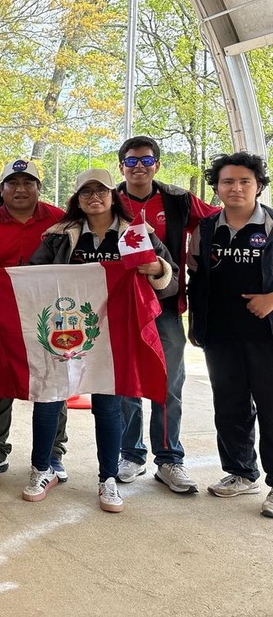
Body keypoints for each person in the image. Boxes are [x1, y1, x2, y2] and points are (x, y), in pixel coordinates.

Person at [23, 168, 176, 513]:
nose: (94, 197)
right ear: (77, 200)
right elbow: (34, 275)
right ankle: (41, 469)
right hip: (64, 331)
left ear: (113, 194)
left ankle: (107, 478)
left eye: (101, 191)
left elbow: (172, 282)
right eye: (86, 192)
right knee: (49, 400)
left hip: (114, 335)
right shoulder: (59, 236)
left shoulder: (137, 234)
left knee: (108, 407)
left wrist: (156, 271)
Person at [115, 135, 219, 493]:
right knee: (127, 383)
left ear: (157, 165)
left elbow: (220, 220)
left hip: (167, 307)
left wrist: (200, 259)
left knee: (168, 383)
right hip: (123, 309)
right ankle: (130, 454)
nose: (138, 167)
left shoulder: (177, 199)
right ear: (121, 167)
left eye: (146, 160)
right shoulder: (108, 199)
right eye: (131, 161)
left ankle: (169, 459)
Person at [0, 159, 66, 480]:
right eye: (12, 183)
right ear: (2, 188)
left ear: (38, 187)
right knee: (0, 380)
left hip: (50, 315)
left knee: (53, 385)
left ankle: (53, 453)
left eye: (27, 183)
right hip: (3, 315)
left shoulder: (60, 220)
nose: (20, 189)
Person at [188, 152, 273, 518]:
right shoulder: (205, 229)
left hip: (266, 334)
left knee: (271, 408)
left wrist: (272, 299)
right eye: (227, 181)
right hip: (220, 334)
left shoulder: (271, 225)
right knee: (230, 405)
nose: (235, 188)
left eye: (244, 181)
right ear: (217, 186)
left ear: (258, 186)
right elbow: (195, 276)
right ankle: (240, 472)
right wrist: (197, 325)